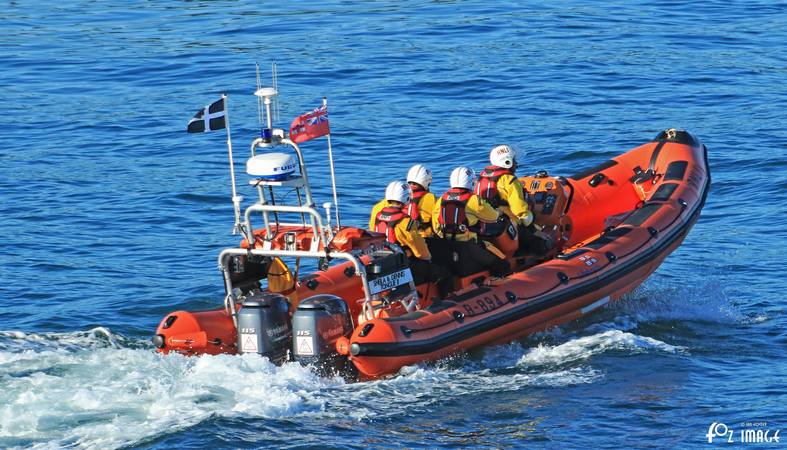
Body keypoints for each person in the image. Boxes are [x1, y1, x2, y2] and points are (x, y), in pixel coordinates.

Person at [372, 180, 453, 299]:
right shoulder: (405, 222)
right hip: (403, 265)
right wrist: (428, 259)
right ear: (406, 198)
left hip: (384, 263)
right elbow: (419, 250)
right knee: (444, 274)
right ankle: (447, 301)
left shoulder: (377, 217)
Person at [431, 167, 511, 277]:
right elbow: (492, 217)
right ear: (471, 182)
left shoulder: (441, 199)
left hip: (447, 245)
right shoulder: (473, 199)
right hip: (469, 246)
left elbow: (436, 225)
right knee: (502, 264)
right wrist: (500, 212)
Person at [476, 145, 549, 255]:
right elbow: (519, 210)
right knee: (543, 241)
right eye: (514, 160)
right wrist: (533, 228)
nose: (516, 164)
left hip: (486, 223)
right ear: (507, 162)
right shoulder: (510, 180)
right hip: (507, 223)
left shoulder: (483, 177)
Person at [368, 164, 434, 237]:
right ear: (427, 181)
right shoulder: (429, 197)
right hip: (416, 238)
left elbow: (372, 226)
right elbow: (432, 221)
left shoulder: (381, 204)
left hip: (381, 239)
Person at [406, 164, 436, 237]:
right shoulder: (430, 197)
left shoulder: (403, 196)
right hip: (424, 236)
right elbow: (435, 220)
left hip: (405, 234)